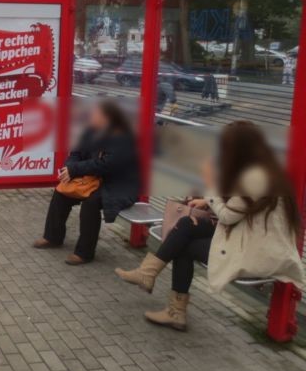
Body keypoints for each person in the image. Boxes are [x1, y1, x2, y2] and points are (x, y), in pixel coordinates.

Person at [115, 121, 305, 331]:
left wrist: (209, 186)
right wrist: (207, 201)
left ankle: (172, 308)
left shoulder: (254, 178)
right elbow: (240, 208)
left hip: (256, 251)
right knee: (187, 223)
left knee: (183, 247)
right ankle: (148, 276)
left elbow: (227, 217)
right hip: (250, 237)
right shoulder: (264, 169)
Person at [34, 100, 140, 264]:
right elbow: (75, 153)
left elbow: (107, 164)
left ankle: (84, 253)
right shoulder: (90, 131)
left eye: (95, 113)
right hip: (91, 178)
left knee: (91, 203)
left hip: (115, 185)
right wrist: (68, 169)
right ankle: (52, 237)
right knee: (61, 192)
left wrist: (76, 170)